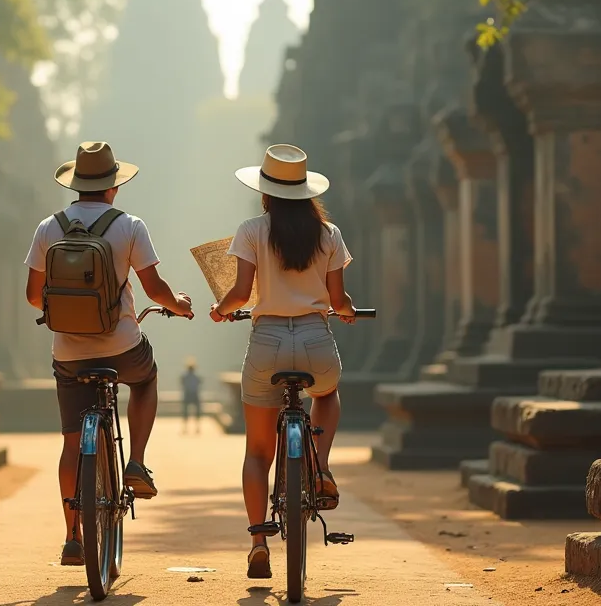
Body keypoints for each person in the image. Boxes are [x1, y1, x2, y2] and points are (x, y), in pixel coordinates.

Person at [24, 141, 195, 567]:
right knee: (146, 379)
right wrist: (180, 305)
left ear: (76, 185)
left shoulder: (49, 226)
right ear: (113, 186)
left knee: (69, 442)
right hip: (121, 346)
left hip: (68, 351)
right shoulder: (129, 225)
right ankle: (136, 461)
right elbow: (155, 290)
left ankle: (71, 536)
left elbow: (32, 296)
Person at [208, 144, 356, 580]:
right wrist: (346, 310)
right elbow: (337, 300)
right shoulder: (329, 234)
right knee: (326, 395)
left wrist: (219, 309)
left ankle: (258, 541)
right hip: (315, 340)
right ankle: (322, 467)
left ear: (265, 192)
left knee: (257, 451)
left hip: (267, 342)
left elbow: (240, 295)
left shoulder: (252, 230)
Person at [180, 357, 202, 434]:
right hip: (194, 394)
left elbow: (182, 384)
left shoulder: (185, 377)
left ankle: (186, 428)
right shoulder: (196, 377)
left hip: (188, 394)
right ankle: (197, 428)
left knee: (185, 412)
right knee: (196, 412)